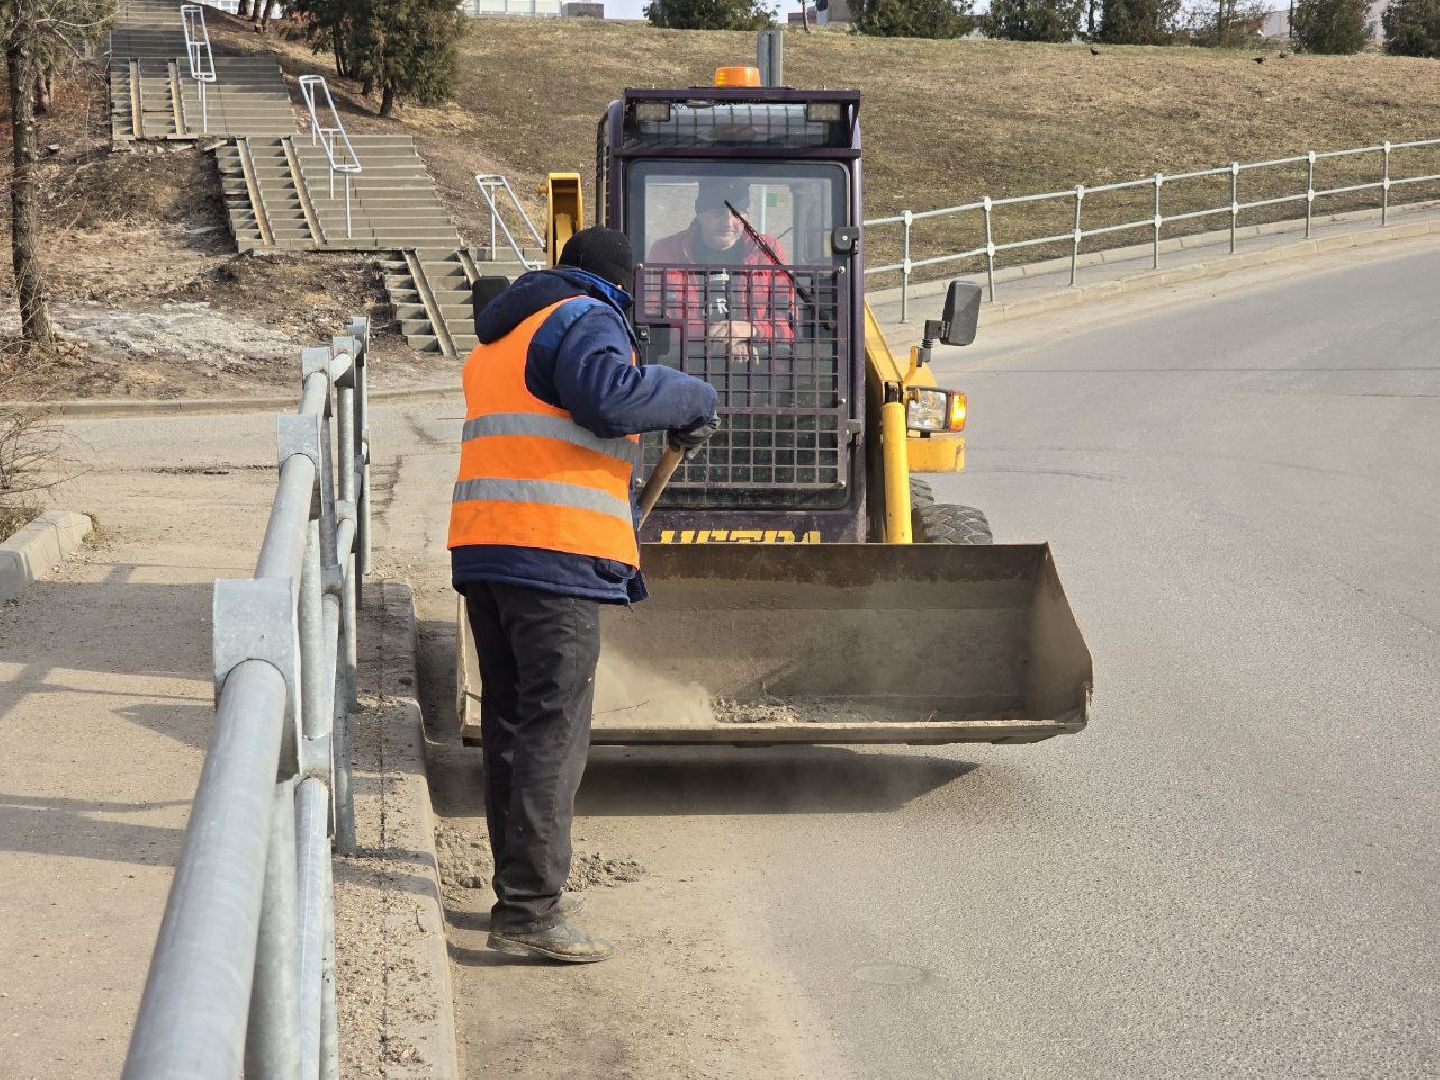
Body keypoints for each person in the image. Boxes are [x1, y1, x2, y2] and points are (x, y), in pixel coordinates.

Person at [448, 226, 718, 963]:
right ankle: (532, 910)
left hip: (488, 548)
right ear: (620, 284)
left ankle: (517, 896)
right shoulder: (588, 313)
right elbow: (606, 396)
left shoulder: (506, 332)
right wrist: (691, 393)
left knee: (511, 724)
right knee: (552, 729)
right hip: (550, 553)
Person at [646, 178, 796, 356]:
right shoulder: (667, 252)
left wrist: (750, 330)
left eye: (736, 214)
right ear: (700, 216)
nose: (727, 222)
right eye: (718, 213)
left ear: (746, 216)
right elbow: (651, 322)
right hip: (683, 366)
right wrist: (723, 337)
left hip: (761, 369)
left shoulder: (767, 252)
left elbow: (788, 322)